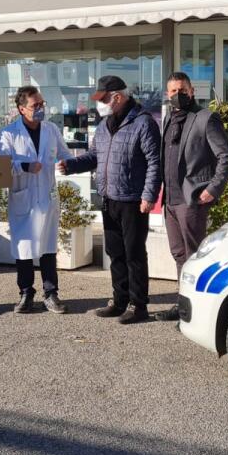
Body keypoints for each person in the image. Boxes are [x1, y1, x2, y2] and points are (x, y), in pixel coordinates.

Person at [59, 76, 162, 324]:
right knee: (115, 252)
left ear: (117, 97)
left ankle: (139, 306)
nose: (100, 105)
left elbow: (154, 162)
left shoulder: (143, 123)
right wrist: (70, 165)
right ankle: (119, 300)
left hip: (133, 199)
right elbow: (95, 156)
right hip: (109, 197)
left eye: (103, 99)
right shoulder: (105, 126)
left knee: (134, 253)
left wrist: (149, 195)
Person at [155, 72, 228, 322]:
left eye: (182, 89)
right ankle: (183, 305)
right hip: (170, 199)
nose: (178, 94)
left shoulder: (205, 118)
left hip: (192, 199)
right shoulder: (169, 118)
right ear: (167, 94)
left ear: (191, 91)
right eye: (173, 91)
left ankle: (197, 312)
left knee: (193, 256)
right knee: (179, 255)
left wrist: (213, 188)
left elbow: (226, 156)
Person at [0, 86, 74, 314]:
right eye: (35, 105)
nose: (41, 108)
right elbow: (1, 166)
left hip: (48, 197)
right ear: (22, 109)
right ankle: (26, 294)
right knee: (24, 250)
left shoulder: (51, 129)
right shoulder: (9, 133)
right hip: (24, 198)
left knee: (49, 247)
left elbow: (65, 154)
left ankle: (51, 294)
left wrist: (68, 164)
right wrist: (24, 166)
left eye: (42, 104)